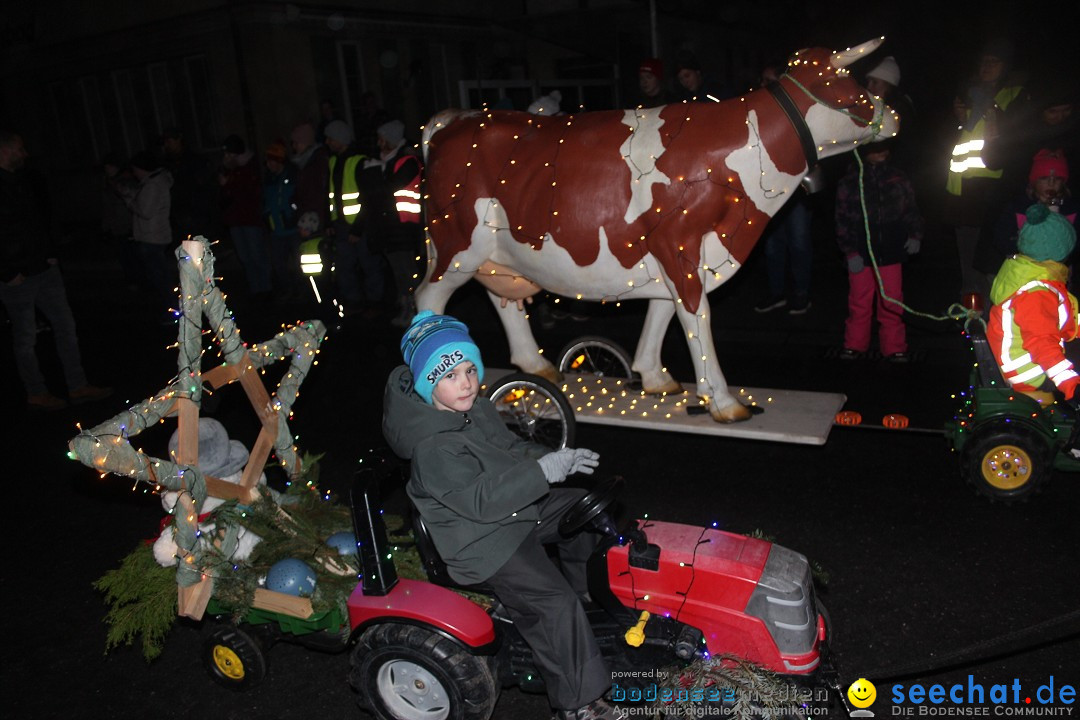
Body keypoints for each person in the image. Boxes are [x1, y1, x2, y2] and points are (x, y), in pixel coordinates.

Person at [382, 311, 614, 720]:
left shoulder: (477, 410)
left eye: (470, 369)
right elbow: (480, 501)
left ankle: (587, 601)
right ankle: (580, 703)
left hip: (514, 508)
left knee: (583, 510)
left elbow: (512, 453)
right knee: (552, 602)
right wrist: (541, 473)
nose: (467, 382)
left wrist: (554, 459)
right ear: (428, 384)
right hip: (482, 540)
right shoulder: (433, 448)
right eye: (451, 375)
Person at [0, 131, 111, 410]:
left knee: (66, 326)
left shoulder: (24, 180)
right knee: (26, 338)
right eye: (19, 148)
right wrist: (8, 271)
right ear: (5, 150)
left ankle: (77, 385)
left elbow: (39, 219)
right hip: (17, 277)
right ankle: (36, 391)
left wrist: (50, 253)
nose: (24, 154)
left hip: (43, 269)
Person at [945, 40, 1025, 305]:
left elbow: (1015, 136)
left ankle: (998, 310)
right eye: (984, 61)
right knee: (966, 254)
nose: (987, 67)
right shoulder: (967, 93)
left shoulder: (1015, 94)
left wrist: (992, 113)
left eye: (994, 62)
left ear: (1006, 66)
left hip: (996, 186)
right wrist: (960, 119)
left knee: (993, 253)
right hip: (964, 184)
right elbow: (961, 137)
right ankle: (971, 315)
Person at [834, 140, 923, 362]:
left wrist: (915, 235)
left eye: (884, 149)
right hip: (861, 252)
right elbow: (841, 220)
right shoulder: (850, 182)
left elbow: (911, 208)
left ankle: (894, 346)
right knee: (859, 301)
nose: (881, 153)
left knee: (892, 301)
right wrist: (850, 251)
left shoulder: (897, 177)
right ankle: (854, 343)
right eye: (875, 150)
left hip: (892, 249)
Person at [986, 204, 1079, 410]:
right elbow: (1042, 343)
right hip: (1031, 372)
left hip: (1028, 359)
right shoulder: (1038, 293)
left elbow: (1060, 318)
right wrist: (1071, 384)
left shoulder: (1025, 273)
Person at [986, 149, 1077, 288]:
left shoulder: (1071, 208)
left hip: (1057, 277)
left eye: (1057, 179)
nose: (1051, 183)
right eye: (1044, 178)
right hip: (1022, 274)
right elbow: (1000, 237)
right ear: (1034, 181)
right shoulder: (1019, 206)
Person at [324, 119, 386, 315]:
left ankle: (376, 303)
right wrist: (330, 222)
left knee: (369, 265)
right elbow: (330, 195)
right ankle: (354, 302)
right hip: (341, 225)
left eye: (331, 138)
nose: (328, 142)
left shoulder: (360, 162)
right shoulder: (333, 162)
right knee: (344, 267)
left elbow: (369, 199)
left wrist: (358, 228)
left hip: (360, 226)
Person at [367, 120, 423, 328]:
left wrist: (374, 176)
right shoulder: (383, 162)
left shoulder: (406, 161)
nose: (379, 142)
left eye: (382, 138)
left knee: (407, 272)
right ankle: (407, 308)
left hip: (404, 226)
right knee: (399, 273)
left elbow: (386, 189)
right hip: (388, 226)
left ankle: (418, 311)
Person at [120, 150, 175, 318]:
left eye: (135, 169)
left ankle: (171, 310)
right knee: (159, 274)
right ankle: (172, 308)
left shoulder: (153, 185)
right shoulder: (153, 182)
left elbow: (145, 211)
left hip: (152, 236)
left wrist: (129, 200)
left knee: (159, 276)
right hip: (154, 235)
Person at [219, 134, 270, 297]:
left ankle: (266, 288)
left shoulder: (249, 168)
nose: (226, 157)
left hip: (250, 219)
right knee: (245, 257)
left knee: (256, 256)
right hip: (236, 219)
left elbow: (247, 193)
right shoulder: (230, 169)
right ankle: (256, 289)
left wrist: (228, 185)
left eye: (229, 154)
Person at [159, 127, 215, 242]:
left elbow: (202, 186)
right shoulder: (167, 163)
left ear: (178, 140)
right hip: (178, 214)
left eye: (169, 141)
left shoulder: (194, 160)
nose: (167, 145)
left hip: (195, 214)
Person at [262, 139, 301, 301]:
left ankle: (302, 290)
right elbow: (267, 201)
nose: (269, 164)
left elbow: (299, 198)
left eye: (273, 160)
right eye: (268, 160)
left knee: (300, 262)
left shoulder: (293, 174)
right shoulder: (269, 178)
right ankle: (288, 289)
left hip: (293, 228)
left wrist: (295, 215)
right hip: (277, 229)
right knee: (279, 264)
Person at [863, 56, 916, 169]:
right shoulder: (869, 107)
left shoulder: (900, 110)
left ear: (889, 84)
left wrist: (878, 156)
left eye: (875, 82)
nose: (869, 87)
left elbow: (905, 149)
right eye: (868, 81)